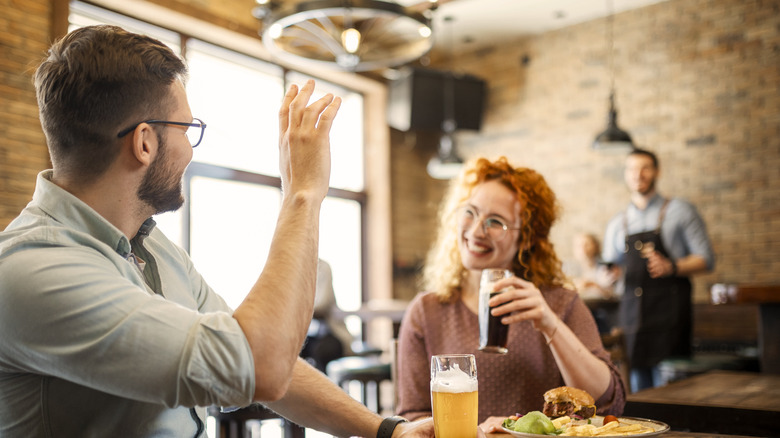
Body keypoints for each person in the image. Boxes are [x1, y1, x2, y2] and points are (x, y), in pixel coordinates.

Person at [0, 25, 440, 438]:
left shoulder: (151, 246)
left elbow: (251, 353)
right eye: (188, 129)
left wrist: (388, 430)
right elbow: (259, 366)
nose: (191, 149)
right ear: (145, 142)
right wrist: (301, 195)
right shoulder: (34, 269)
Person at [395, 157, 626, 432]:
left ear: (526, 237)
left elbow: (609, 401)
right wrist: (477, 430)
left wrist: (549, 324)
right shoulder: (426, 310)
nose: (476, 230)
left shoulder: (559, 303)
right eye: (470, 211)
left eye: (496, 221)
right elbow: (411, 416)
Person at [601, 148, 715, 393]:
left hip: (670, 315)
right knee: (638, 395)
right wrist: (611, 275)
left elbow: (707, 259)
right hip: (632, 317)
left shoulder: (680, 211)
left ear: (656, 171)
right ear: (625, 174)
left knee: (674, 392)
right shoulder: (616, 222)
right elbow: (610, 269)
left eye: (645, 168)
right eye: (631, 169)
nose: (638, 174)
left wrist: (672, 266)